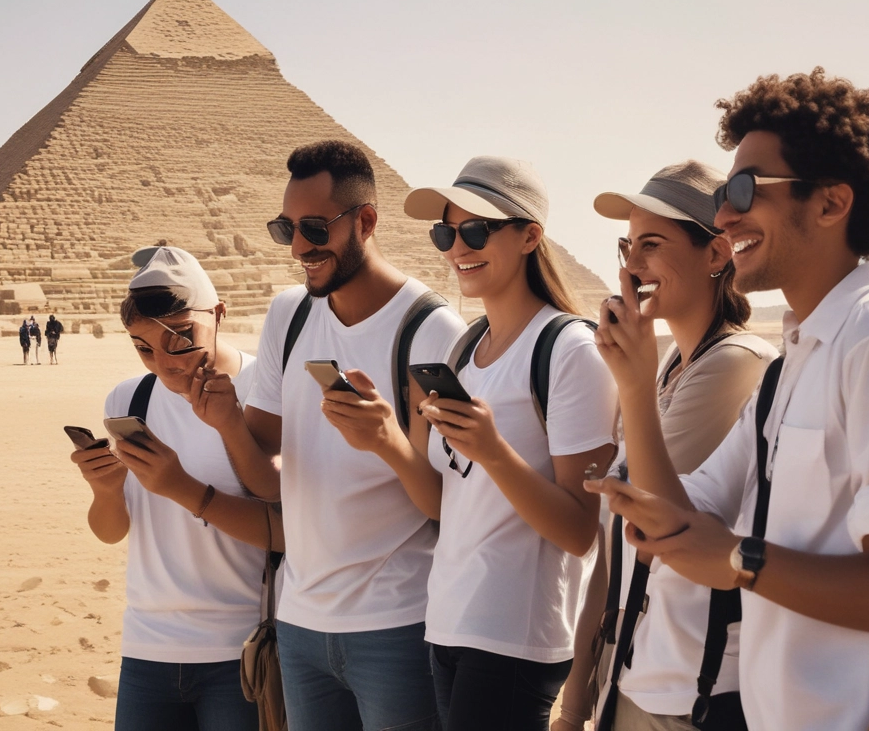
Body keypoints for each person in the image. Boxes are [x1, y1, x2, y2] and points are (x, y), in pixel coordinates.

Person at [589, 68, 869, 731]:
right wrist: (632, 383)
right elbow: (679, 524)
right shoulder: (795, 360)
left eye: (743, 189)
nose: (724, 215)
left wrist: (743, 559)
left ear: (829, 204)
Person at [331, 155, 616, 731]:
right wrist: (386, 438)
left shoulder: (570, 351)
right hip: (448, 623)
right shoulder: (464, 349)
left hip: (516, 636)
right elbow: (445, 505)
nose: (457, 247)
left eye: (477, 230)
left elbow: (582, 531)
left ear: (530, 236)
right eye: (446, 232)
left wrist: (494, 452)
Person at [238, 140, 467, 731]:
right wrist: (210, 414)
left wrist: (388, 440)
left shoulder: (432, 331)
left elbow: (448, 504)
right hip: (299, 620)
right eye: (284, 227)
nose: (297, 247)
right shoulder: (288, 316)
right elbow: (263, 442)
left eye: (313, 227)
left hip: (396, 624)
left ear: (365, 220)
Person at [556, 161, 777, 731]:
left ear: (716, 254)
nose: (631, 266)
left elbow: (653, 521)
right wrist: (578, 698)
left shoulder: (734, 363)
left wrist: (631, 382)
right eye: (627, 247)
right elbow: (612, 551)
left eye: (651, 245)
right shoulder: (667, 369)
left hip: (690, 693)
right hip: (636, 674)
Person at [70, 245, 276, 731]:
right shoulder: (130, 399)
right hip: (147, 646)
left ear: (219, 314)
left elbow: (287, 522)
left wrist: (180, 485)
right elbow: (110, 532)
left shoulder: (265, 393)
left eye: (181, 339)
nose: (164, 363)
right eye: (143, 347)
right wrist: (104, 489)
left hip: (239, 646)